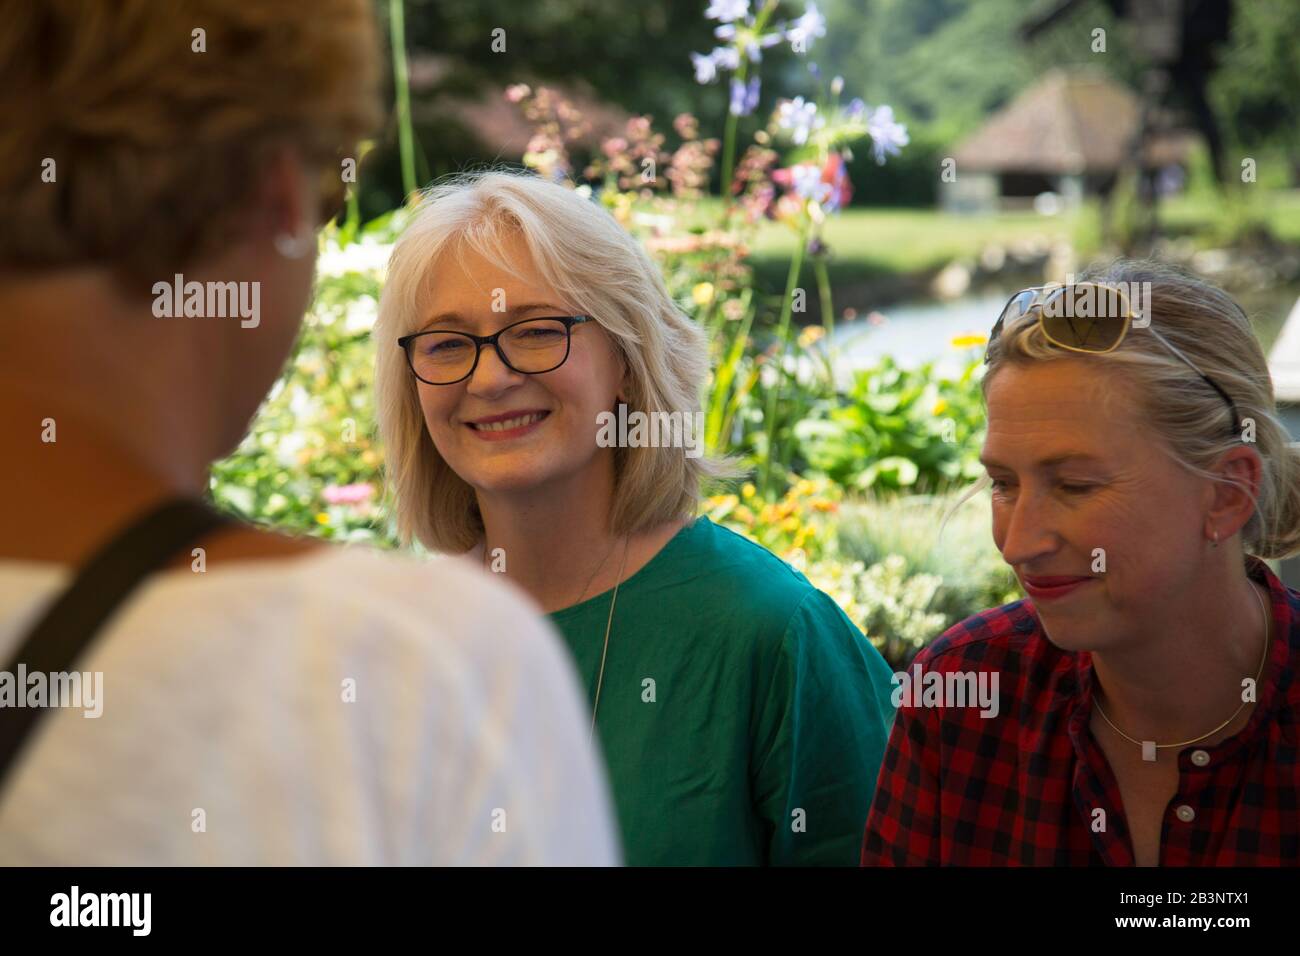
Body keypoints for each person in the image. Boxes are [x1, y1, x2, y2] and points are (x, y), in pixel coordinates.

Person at [0, 0, 617, 865]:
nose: (491, 374)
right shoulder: (415, 666)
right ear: (280, 197)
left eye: (539, 330)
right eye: (331, 199)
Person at [373, 169, 895, 865]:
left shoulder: (772, 634)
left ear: (626, 359)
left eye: (535, 331)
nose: (490, 378)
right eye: (445, 343)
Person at [862, 261, 1300, 866]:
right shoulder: (963, 697)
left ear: (1226, 493)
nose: (1019, 543)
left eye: (1074, 485)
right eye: (1003, 483)